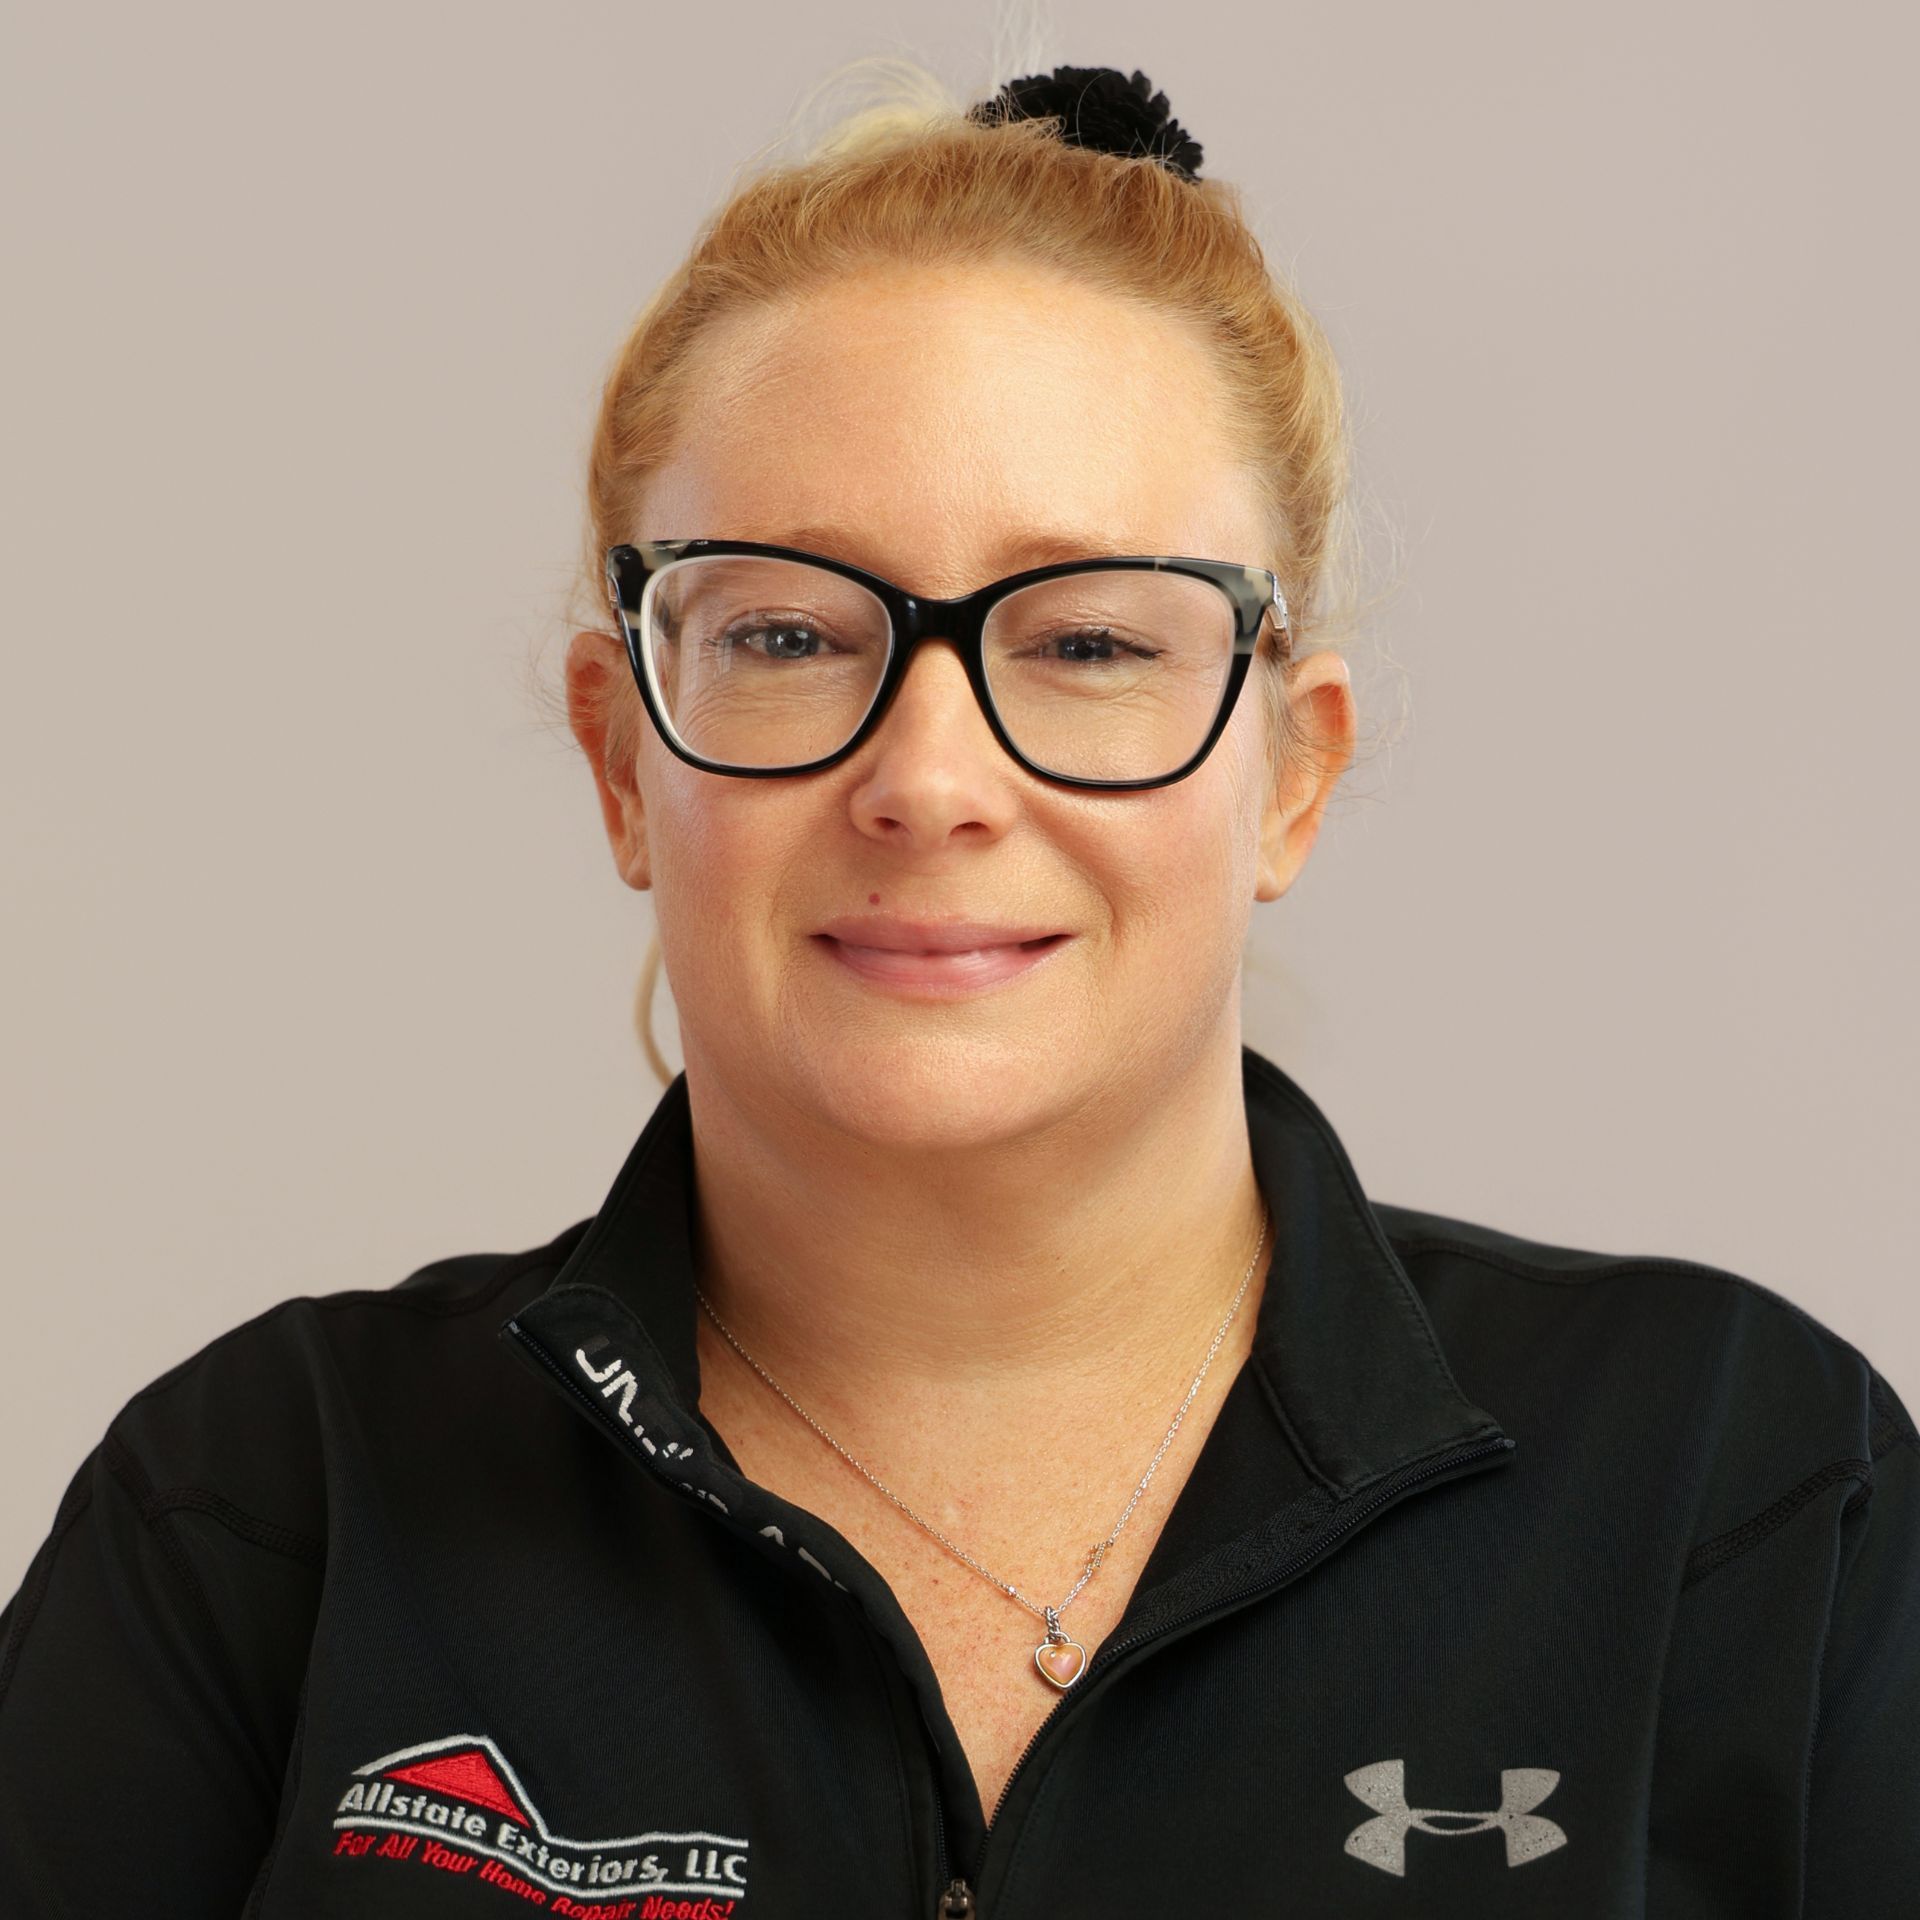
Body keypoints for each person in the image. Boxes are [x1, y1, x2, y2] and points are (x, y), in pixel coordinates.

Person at [2, 58, 1914, 1920]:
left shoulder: (1741, 1496)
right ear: (620, 761)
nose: (928, 780)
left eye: (1086, 637)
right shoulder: (267, 1513)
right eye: (786, 632)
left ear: (1293, 771)